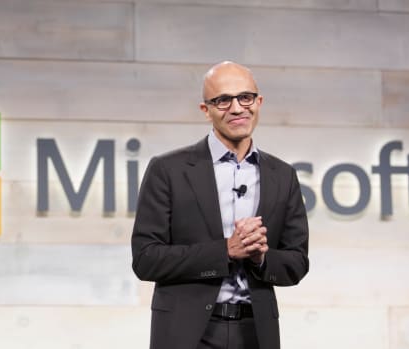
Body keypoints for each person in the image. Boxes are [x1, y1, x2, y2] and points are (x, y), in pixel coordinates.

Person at [131, 61, 309, 349]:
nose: (237, 108)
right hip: (187, 333)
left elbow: (297, 263)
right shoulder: (168, 169)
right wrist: (225, 250)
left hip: (256, 332)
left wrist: (260, 258)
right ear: (206, 110)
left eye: (245, 97)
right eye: (223, 100)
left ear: (258, 102)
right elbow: (146, 259)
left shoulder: (283, 175)